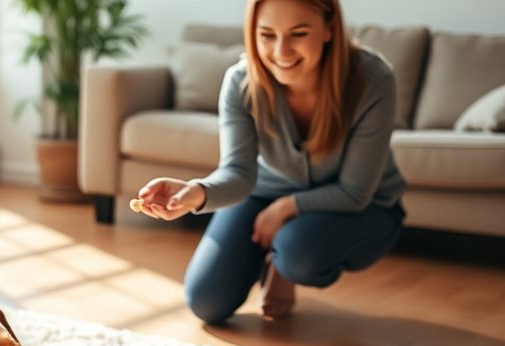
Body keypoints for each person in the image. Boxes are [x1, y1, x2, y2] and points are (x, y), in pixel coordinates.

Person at [134, 0, 406, 323]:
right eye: (267, 35)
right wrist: (196, 192)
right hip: (263, 191)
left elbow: (354, 192)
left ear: (330, 27)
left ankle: (283, 263)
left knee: (298, 253)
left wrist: (284, 209)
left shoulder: (373, 80)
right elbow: (238, 173)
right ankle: (279, 248)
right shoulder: (240, 82)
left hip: (363, 207)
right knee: (206, 301)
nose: (281, 51)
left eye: (298, 33)